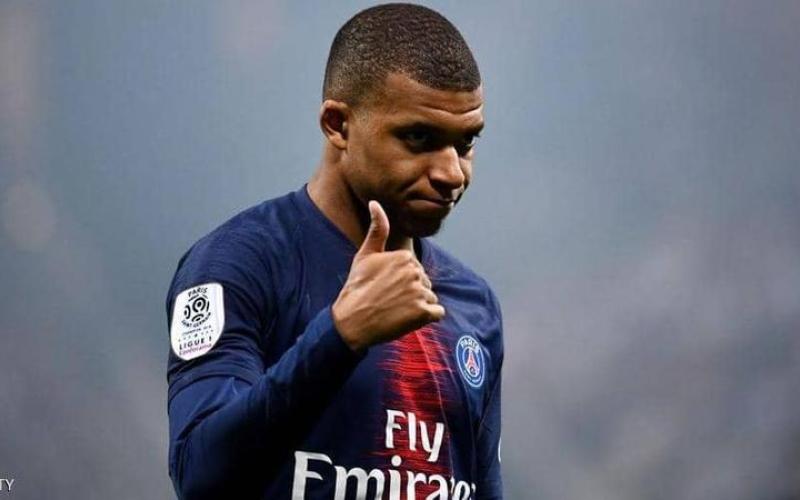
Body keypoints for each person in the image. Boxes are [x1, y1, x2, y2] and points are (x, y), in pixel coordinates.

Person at [166, 4, 503, 499]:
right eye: (419, 138)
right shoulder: (236, 265)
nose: (451, 172)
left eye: (466, 143)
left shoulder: (473, 303)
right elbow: (199, 474)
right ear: (338, 124)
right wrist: (340, 336)